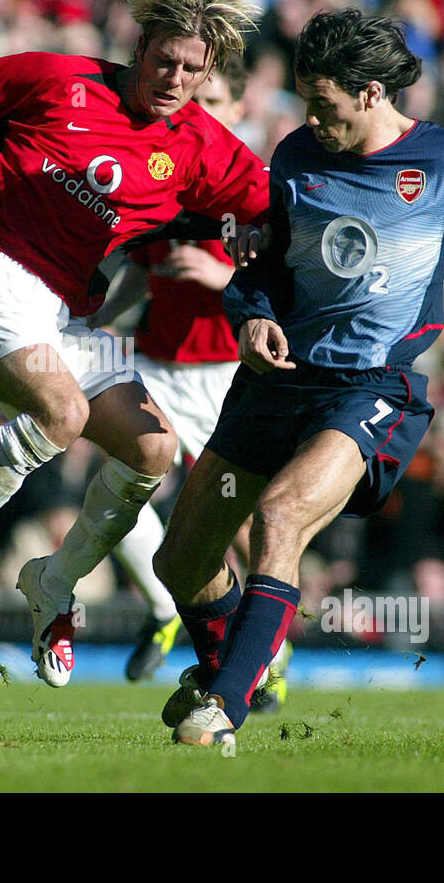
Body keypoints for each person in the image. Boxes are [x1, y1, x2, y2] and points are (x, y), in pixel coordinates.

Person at [154, 8, 444, 745]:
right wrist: (252, 314)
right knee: (182, 558)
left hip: (371, 385)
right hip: (276, 378)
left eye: (323, 104)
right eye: (305, 101)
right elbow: (265, 260)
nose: (311, 119)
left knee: (281, 517)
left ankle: (223, 707)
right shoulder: (297, 155)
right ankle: (230, 666)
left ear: (371, 93)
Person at [0, 0, 269, 686]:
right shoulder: (59, 80)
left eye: (193, 69)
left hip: (60, 312)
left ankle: (52, 583)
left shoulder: (199, 144)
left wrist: (272, 235)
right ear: (139, 47)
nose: (176, 79)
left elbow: (271, 206)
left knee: (152, 448)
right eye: (165, 60)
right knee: (63, 412)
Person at [91, 60, 290, 701]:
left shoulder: (256, 188)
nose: (198, 111)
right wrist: (94, 317)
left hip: (226, 372)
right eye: (193, 100)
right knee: (116, 488)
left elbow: (291, 281)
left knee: (244, 524)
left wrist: (221, 279)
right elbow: (141, 269)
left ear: (239, 109)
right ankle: (162, 606)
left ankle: (266, 656)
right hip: (158, 363)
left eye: (214, 101)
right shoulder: (164, 171)